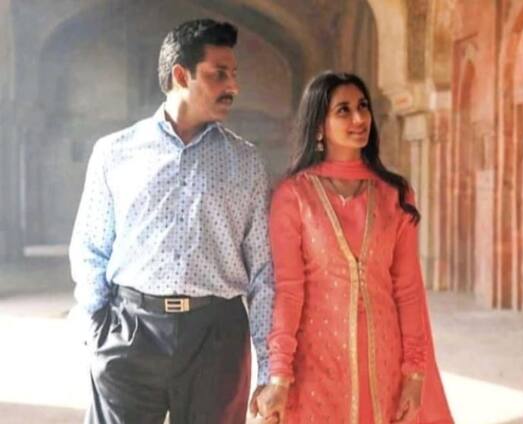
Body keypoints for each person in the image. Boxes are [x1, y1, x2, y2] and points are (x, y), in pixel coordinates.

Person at [69, 19, 274, 424]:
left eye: (234, 74)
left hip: (217, 339)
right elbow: (90, 246)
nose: (233, 86)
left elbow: (264, 272)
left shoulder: (246, 162)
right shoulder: (114, 152)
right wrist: (97, 328)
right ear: (181, 75)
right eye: (219, 74)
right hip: (130, 331)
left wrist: (269, 367)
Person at [252, 71, 453, 423]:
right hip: (316, 364)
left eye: (363, 107)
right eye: (343, 110)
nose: (359, 118)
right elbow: (289, 291)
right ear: (319, 126)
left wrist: (414, 373)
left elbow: (407, 290)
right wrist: (280, 376)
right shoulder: (294, 196)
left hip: (384, 362)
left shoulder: (395, 194)